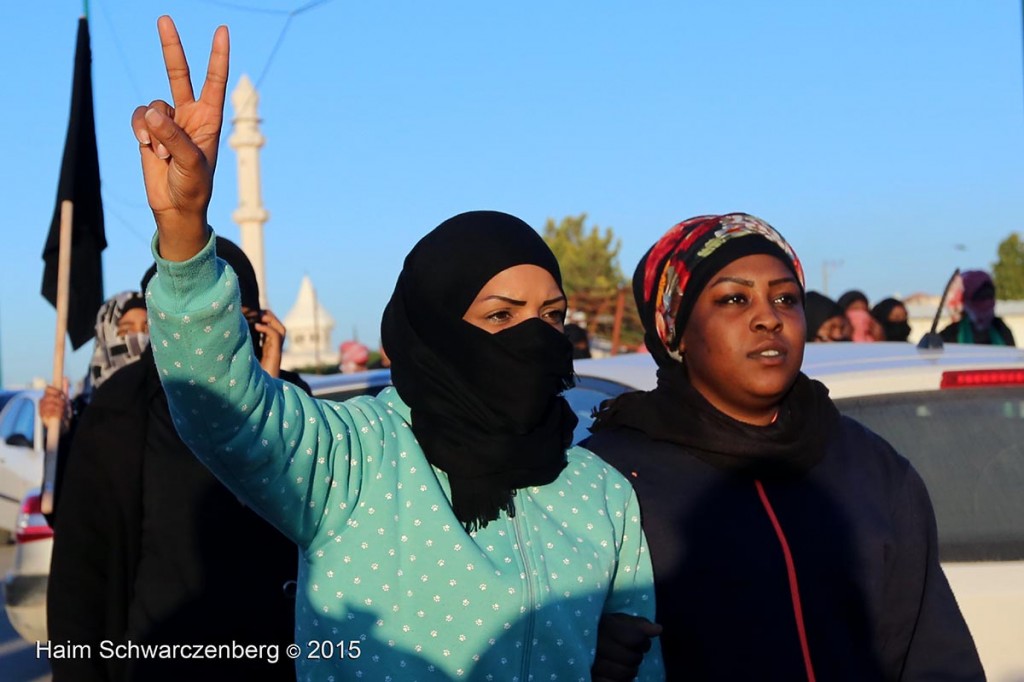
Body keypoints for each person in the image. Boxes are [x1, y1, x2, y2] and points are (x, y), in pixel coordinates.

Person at [128, 16, 662, 682]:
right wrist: (183, 235)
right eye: (500, 315)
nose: (534, 336)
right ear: (435, 330)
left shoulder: (597, 493)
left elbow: (640, 660)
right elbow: (223, 408)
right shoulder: (355, 463)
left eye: (551, 315)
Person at [582, 213, 983, 679]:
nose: (768, 318)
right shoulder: (609, 481)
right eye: (734, 299)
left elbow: (933, 654)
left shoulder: (871, 467)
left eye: (785, 298)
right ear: (676, 331)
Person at [46, 239, 304, 682]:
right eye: (201, 320)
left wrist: (269, 388)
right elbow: (81, 574)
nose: (214, 338)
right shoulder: (121, 410)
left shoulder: (289, 400)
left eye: (231, 320)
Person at [37, 290, 150, 522]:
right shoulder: (84, 415)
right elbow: (60, 510)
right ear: (105, 338)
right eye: (125, 331)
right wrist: (59, 432)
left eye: (149, 330)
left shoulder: (175, 410)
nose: (138, 340)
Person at [940, 270, 1016, 346]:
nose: (986, 302)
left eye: (989, 296)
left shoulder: (1001, 330)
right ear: (967, 301)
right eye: (980, 297)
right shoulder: (951, 334)